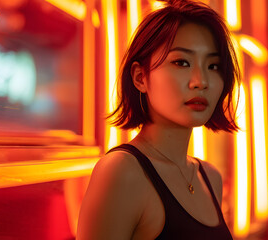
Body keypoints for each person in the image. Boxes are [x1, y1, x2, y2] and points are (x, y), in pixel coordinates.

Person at [77, 0, 241, 239]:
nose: (201, 81)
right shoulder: (122, 172)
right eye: (181, 62)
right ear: (140, 77)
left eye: (213, 65)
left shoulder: (210, 177)